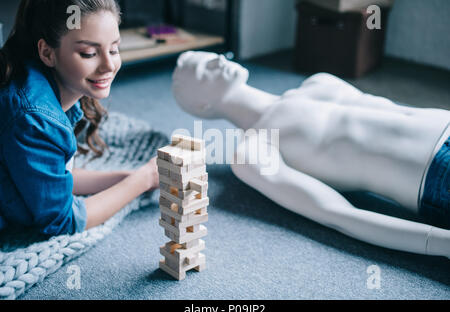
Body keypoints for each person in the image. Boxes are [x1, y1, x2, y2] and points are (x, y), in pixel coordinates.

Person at [172, 51, 450, 258]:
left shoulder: (318, 82)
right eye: (203, 68)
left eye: (214, 55)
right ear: (201, 105)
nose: (219, 59)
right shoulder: (253, 151)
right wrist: (442, 243)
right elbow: (340, 215)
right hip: (437, 174)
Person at [0, 0, 159, 236]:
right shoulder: (34, 118)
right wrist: (142, 180)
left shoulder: (41, 83)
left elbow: (52, 177)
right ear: (47, 52)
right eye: (89, 53)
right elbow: (62, 219)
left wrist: (126, 178)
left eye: (114, 49)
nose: (108, 65)